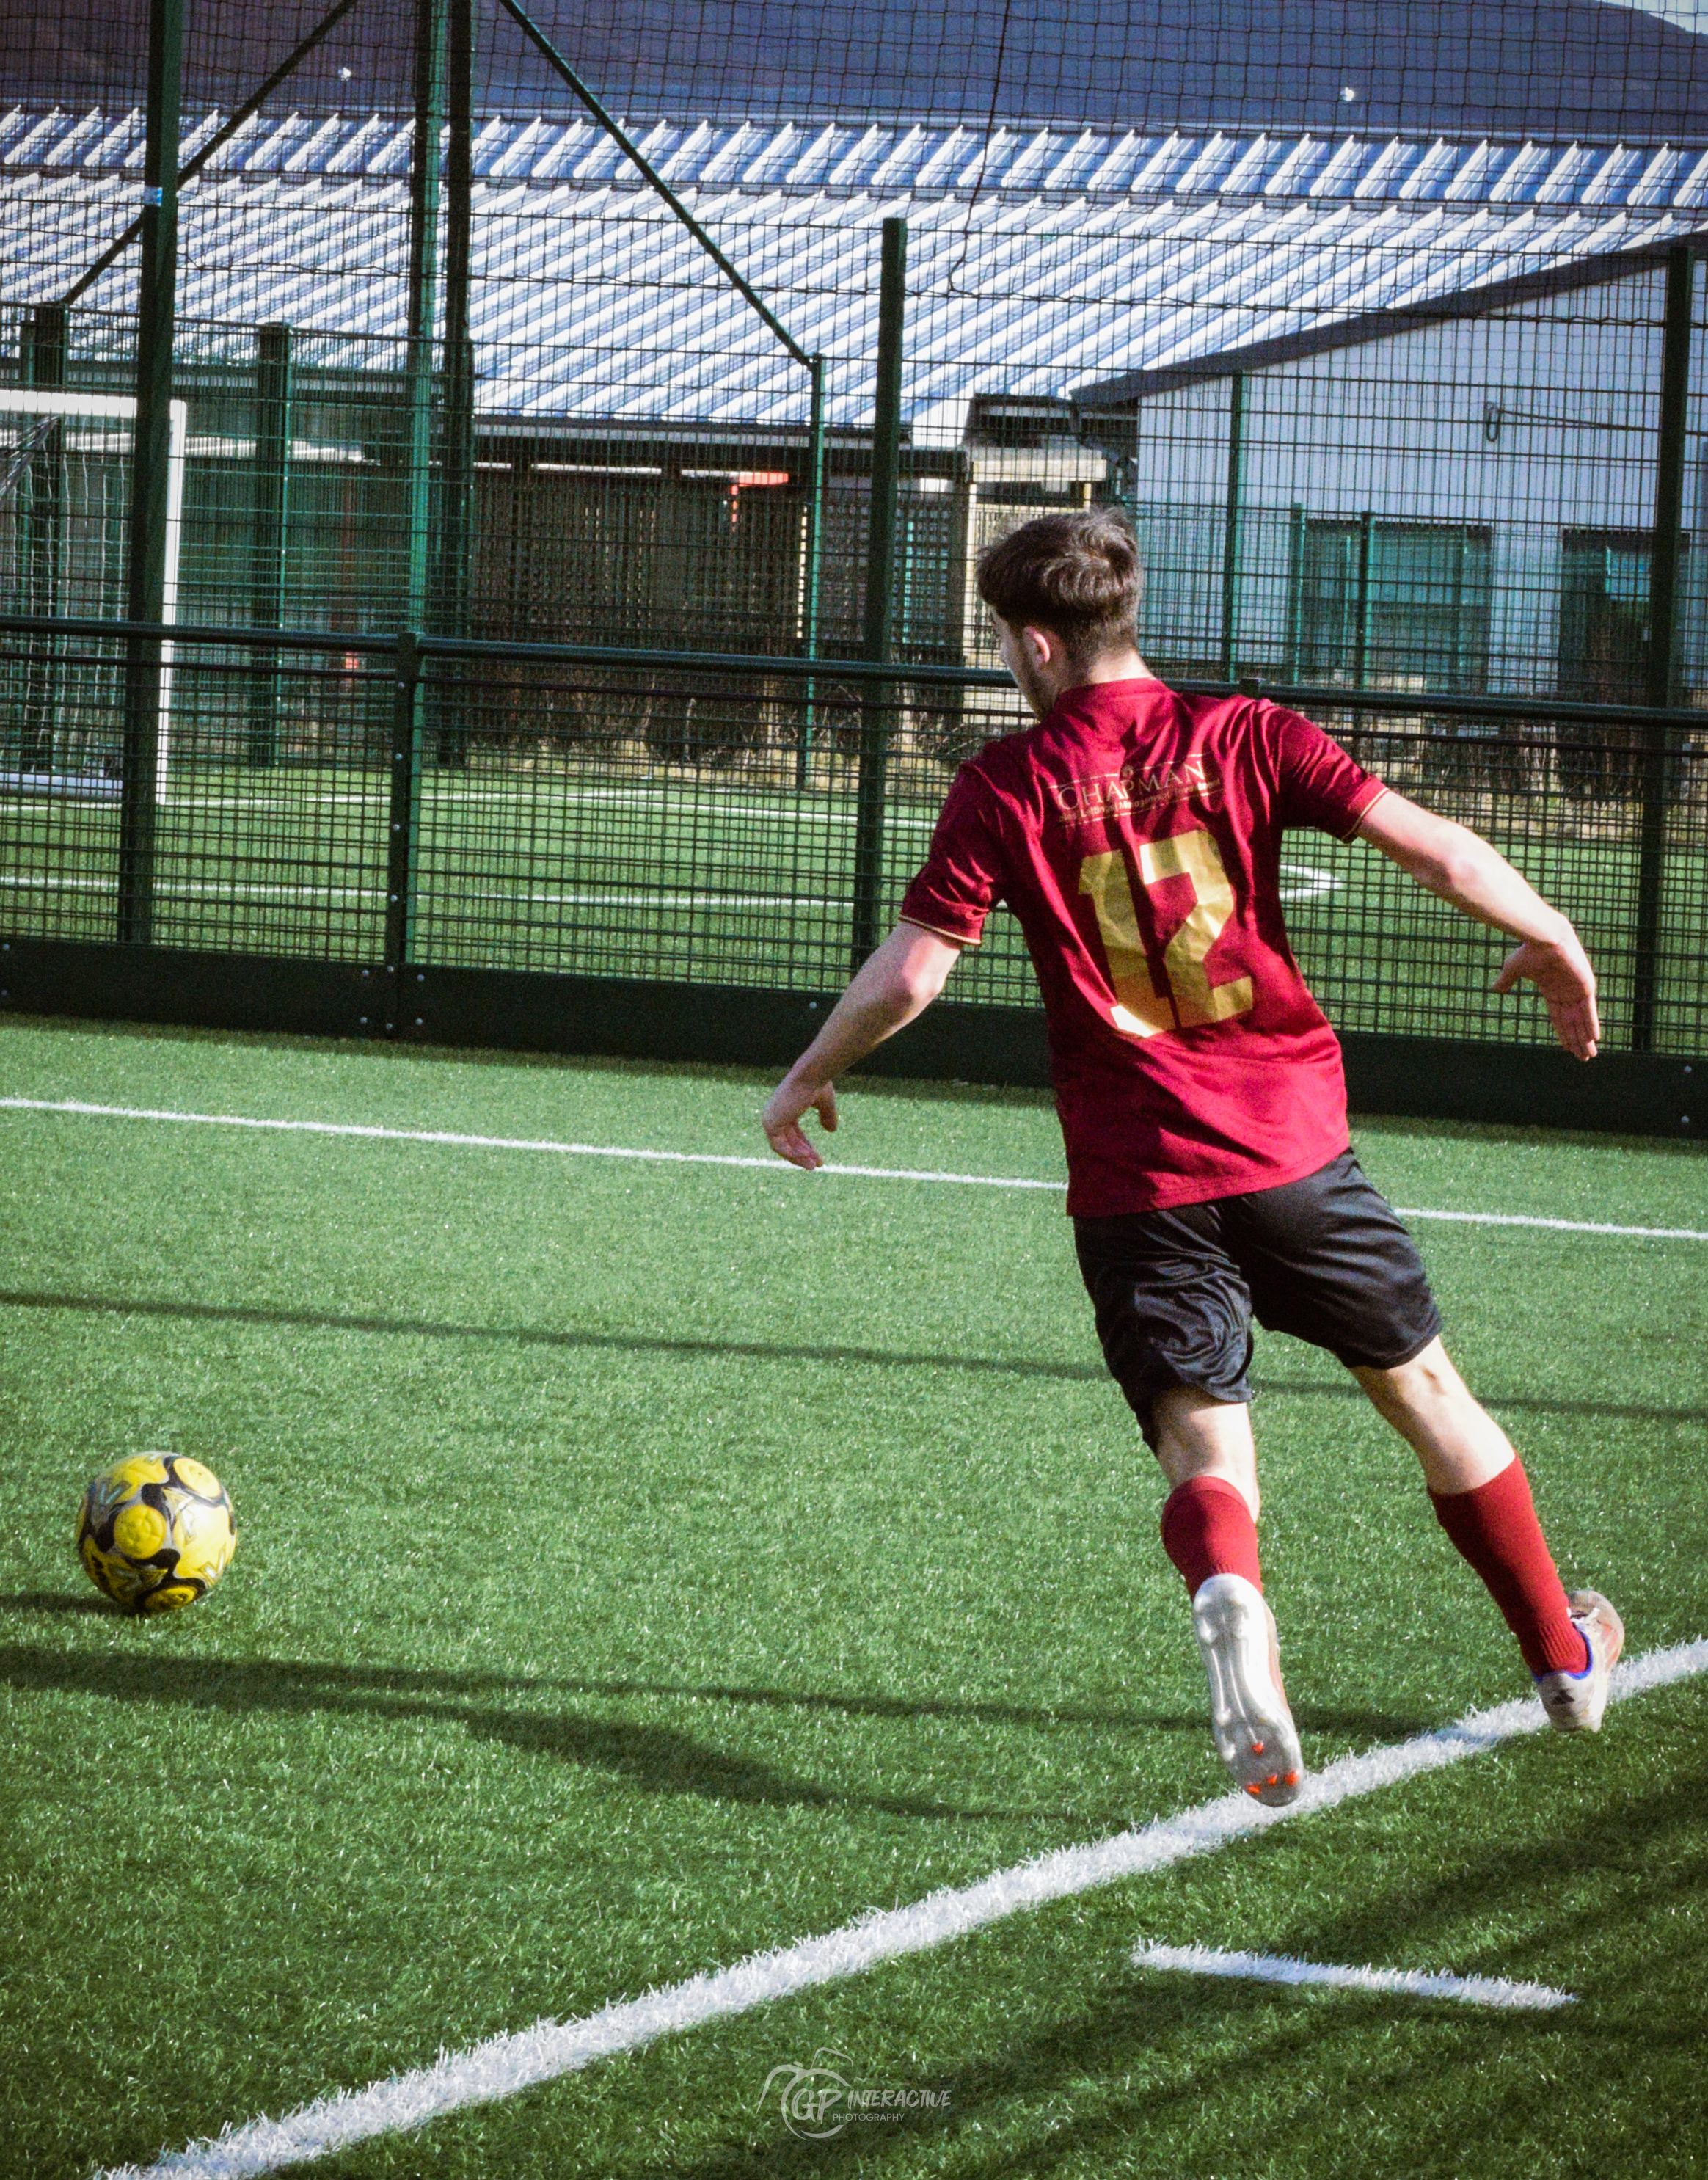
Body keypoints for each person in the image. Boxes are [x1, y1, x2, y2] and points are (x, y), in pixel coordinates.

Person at [761, 508, 1621, 1807]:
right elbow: (1433, 844)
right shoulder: (1251, 734)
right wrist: (1552, 929)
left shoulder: (1004, 782)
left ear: (1038, 643)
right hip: (1293, 1153)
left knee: (1204, 1449)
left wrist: (810, 1071)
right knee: (1429, 1395)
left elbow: (918, 971)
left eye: (1006, 639)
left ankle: (1232, 1596)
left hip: (1139, 1180)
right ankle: (1564, 1657)